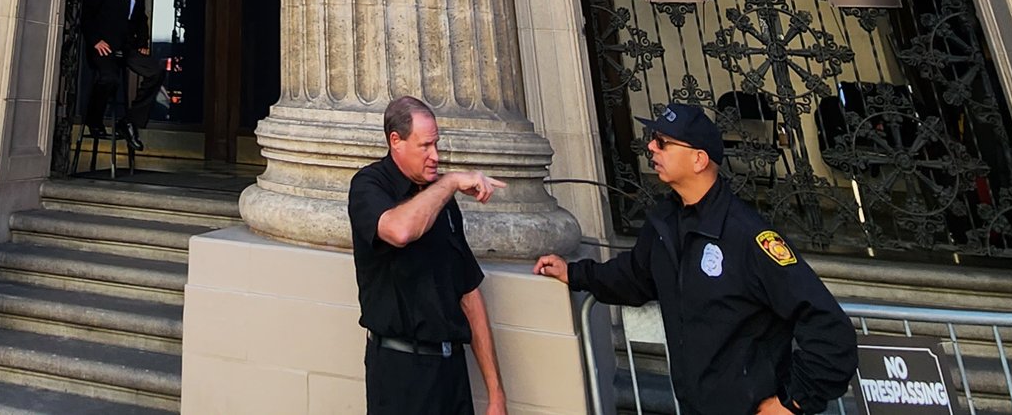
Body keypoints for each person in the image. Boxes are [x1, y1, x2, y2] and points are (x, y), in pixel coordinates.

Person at [533, 101, 855, 415]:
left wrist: (793, 403)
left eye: (663, 143)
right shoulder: (665, 224)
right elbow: (633, 277)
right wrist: (574, 273)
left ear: (699, 159)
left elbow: (830, 328)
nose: (651, 149)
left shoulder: (748, 236)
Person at [349, 95, 510, 415]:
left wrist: (495, 394)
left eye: (436, 145)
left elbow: (468, 293)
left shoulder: (442, 200)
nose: (435, 156)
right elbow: (399, 231)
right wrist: (451, 182)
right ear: (396, 141)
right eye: (425, 146)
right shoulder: (369, 185)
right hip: (401, 374)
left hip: (451, 374)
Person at [78, 0, 156, 148]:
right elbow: (86, 14)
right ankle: (93, 121)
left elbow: (141, 19)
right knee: (109, 78)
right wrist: (95, 40)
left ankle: (129, 122)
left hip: (127, 47)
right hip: (103, 46)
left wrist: (143, 43)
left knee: (155, 72)